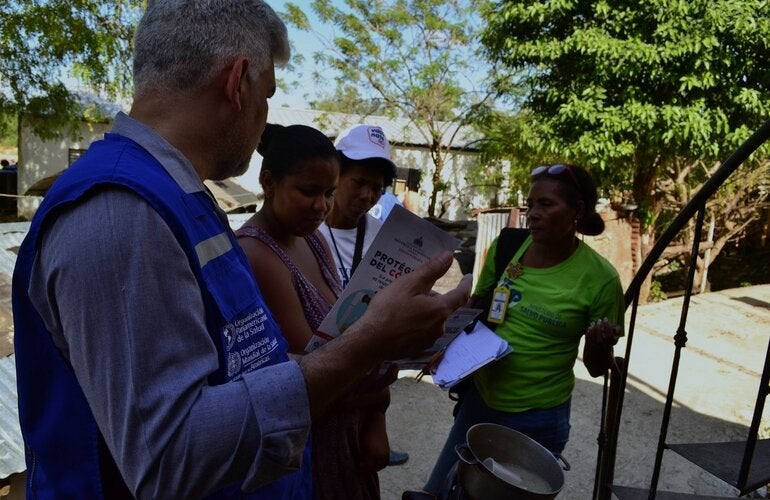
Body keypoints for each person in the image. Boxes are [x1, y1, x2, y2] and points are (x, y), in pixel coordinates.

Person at [11, 1, 471, 498]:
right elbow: (169, 459)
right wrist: (365, 345)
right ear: (237, 82)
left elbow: (238, 364)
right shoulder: (121, 210)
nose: (265, 115)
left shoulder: (180, 196)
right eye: (267, 94)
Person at [421, 163, 624, 496]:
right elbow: (477, 307)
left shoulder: (600, 279)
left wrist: (600, 343)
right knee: (442, 490)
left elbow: (596, 367)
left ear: (577, 211)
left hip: (537, 418)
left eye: (546, 205)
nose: (533, 214)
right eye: (531, 205)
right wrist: (443, 347)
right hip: (480, 400)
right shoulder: (508, 246)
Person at [235, 123, 392, 498]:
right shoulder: (257, 253)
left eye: (328, 192)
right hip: (312, 450)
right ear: (269, 182)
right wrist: (381, 389)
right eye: (308, 192)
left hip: (346, 436)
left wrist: (375, 417)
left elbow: (345, 338)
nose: (321, 205)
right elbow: (315, 377)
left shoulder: (311, 239)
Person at [319, 123, 410, 466]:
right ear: (335, 173)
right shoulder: (305, 228)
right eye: (359, 182)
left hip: (366, 384)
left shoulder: (387, 237)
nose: (368, 196)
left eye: (377, 187)